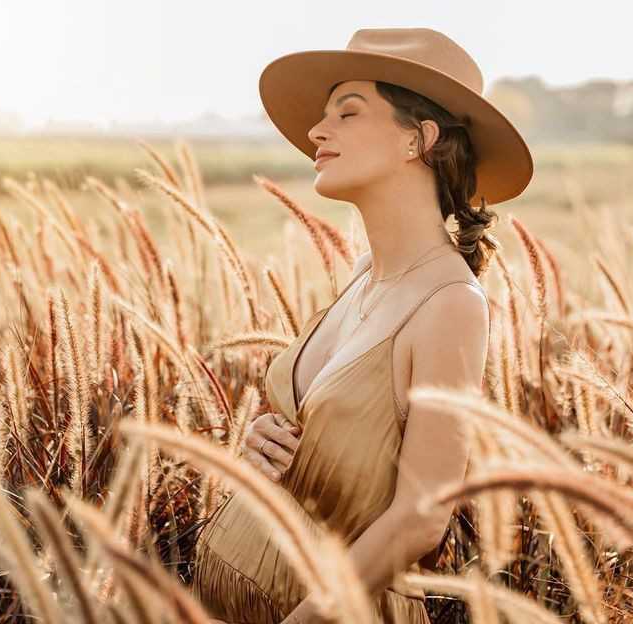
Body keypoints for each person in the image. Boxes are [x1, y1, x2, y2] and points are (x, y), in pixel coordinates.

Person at [191, 27, 533, 623]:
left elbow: (423, 514)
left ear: (418, 140)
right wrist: (258, 448)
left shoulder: (451, 303)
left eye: (347, 113)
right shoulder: (365, 274)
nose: (316, 133)